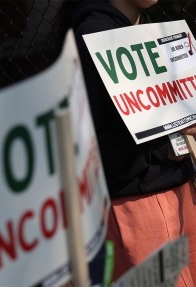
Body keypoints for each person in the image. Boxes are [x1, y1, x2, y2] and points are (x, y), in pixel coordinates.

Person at [58, 0, 196, 286]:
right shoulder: (94, 35)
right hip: (140, 202)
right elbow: (103, 142)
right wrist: (166, 144)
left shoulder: (151, 30)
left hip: (178, 189)